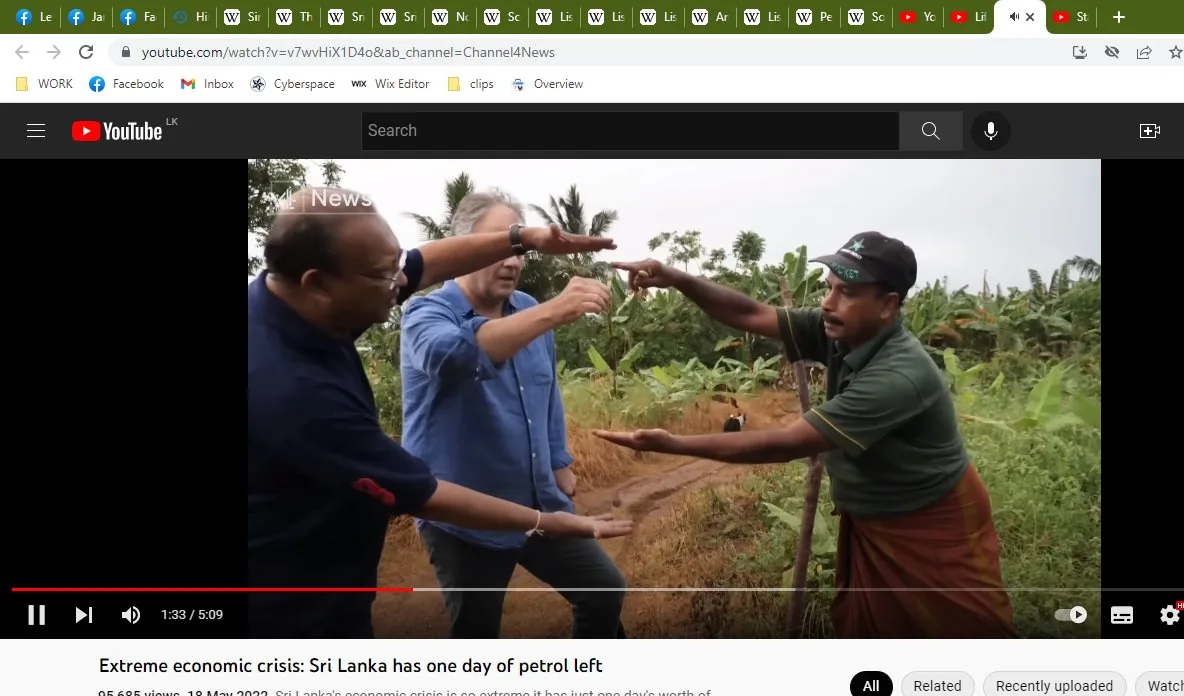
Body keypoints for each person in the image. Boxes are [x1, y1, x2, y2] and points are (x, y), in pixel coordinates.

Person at [247, 186, 632, 639]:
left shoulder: (306, 293)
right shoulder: (293, 390)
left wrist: (524, 236)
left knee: (604, 589)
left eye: (397, 265)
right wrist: (547, 522)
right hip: (298, 607)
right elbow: (424, 485)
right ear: (318, 285)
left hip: (533, 496)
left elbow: (419, 263)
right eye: (385, 276)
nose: (401, 283)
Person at [598, 232, 1015, 639]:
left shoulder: (898, 376)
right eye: (828, 288)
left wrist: (671, 444)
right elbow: (750, 315)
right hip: (874, 518)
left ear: (888, 305)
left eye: (847, 292)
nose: (829, 303)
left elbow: (786, 442)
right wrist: (676, 277)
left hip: (929, 522)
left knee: (965, 637)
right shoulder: (843, 329)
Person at [400, 190, 629, 638]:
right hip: (465, 517)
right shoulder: (424, 313)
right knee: (478, 634)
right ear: (467, 248)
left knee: (604, 589)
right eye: (502, 246)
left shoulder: (527, 308)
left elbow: (545, 392)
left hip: (540, 502)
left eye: (519, 249)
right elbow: (453, 358)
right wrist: (555, 310)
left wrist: (559, 459)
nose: (512, 261)